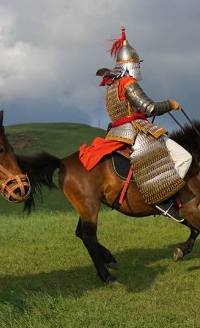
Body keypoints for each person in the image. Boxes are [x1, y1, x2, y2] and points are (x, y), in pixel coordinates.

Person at [80, 25, 192, 220]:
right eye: (136, 64)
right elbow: (150, 108)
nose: (138, 68)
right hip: (135, 131)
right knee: (185, 157)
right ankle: (165, 198)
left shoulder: (111, 85)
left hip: (117, 133)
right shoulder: (128, 83)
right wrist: (171, 104)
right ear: (131, 65)